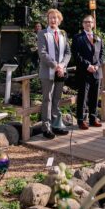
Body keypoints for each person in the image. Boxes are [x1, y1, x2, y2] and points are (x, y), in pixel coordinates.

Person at [37, 9, 71, 139]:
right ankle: (46, 127)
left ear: (59, 20)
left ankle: (57, 125)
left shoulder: (63, 34)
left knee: (57, 99)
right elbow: (42, 53)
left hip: (60, 72)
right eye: (51, 18)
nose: (53, 20)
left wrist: (62, 65)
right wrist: (55, 65)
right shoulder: (42, 34)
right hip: (47, 72)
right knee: (47, 99)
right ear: (48, 19)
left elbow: (68, 52)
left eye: (55, 18)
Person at [72, 15, 104, 130]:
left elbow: (102, 55)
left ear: (93, 24)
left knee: (95, 97)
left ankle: (93, 118)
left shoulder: (98, 38)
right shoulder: (77, 38)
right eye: (85, 22)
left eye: (90, 22)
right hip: (83, 72)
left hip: (96, 72)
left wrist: (97, 65)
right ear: (83, 24)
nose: (88, 24)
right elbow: (76, 55)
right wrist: (87, 65)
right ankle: (81, 120)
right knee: (83, 97)